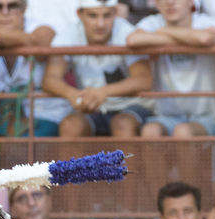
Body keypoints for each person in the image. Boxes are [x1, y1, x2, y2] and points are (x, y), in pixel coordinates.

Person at [43, 0, 153, 138]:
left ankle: (127, 160)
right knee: (71, 125)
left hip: (133, 107)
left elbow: (144, 80)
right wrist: (73, 95)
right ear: (79, 14)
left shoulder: (127, 32)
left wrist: (103, 92)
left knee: (123, 124)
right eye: (93, 16)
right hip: (92, 107)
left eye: (106, 16)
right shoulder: (69, 33)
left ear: (115, 13)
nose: (100, 24)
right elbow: (50, 79)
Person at [127, 0, 215, 137]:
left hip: (205, 115)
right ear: (156, 4)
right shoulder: (153, 22)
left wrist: (164, 32)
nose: (170, 2)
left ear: (191, 2)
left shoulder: (206, 22)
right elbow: (133, 40)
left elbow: (205, 38)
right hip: (167, 115)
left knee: (183, 132)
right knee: (150, 131)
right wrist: (186, 40)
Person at [0, 0, 59, 137]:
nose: (5, 13)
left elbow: (39, 40)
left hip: (40, 116)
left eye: (12, 6)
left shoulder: (39, 26)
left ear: (24, 9)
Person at [9, 185, 77, 219]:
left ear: (49, 200)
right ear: (12, 208)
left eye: (37, 195)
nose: (31, 203)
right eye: (22, 198)